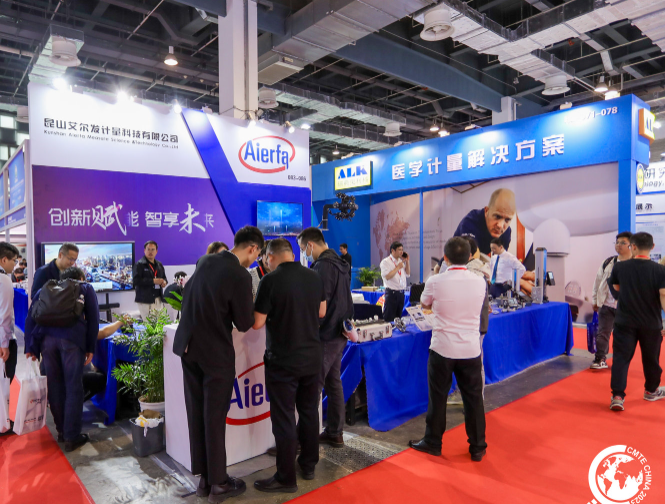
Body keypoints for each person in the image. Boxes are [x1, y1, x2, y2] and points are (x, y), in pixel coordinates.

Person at [173, 226, 263, 503]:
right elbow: (244, 323)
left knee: (197, 413)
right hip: (215, 354)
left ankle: (205, 479)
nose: (255, 261)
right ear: (253, 249)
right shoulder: (240, 274)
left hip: (189, 348)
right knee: (214, 417)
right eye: (257, 255)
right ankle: (219, 484)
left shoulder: (205, 260)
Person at [252, 239, 326, 492]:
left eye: (265, 259)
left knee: (283, 418)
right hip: (312, 357)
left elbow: (257, 323)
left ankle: (286, 478)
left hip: (283, 361)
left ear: (270, 257)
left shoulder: (269, 281)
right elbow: (322, 311)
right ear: (292, 254)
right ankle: (308, 464)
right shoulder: (314, 276)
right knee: (309, 412)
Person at [409, 237, 488, 462]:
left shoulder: (436, 280)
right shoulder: (480, 281)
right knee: (474, 400)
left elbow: (424, 304)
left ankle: (433, 442)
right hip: (470, 349)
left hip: (442, 348)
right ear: (470, 257)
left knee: (437, 397)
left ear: (445, 258)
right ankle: (478, 446)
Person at [25, 266, 99, 452]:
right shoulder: (85, 288)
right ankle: (72, 436)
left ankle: (62, 432)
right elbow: (93, 319)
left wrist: (30, 347)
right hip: (72, 341)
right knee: (73, 386)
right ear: (80, 277)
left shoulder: (45, 289)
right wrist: (90, 347)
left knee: (55, 386)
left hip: (47, 342)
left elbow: (31, 317)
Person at [297, 227, 353, 448]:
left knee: (312, 387)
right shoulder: (341, 263)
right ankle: (334, 432)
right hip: (340, 331)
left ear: (310, 245)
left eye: (303, 249)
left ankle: (302, 439)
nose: (304, 253)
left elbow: (320, 303)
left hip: (326, 334)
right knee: (333, 383)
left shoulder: (322, 266)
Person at [607, 232, 665, 411]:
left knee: (621, 359)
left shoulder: (620, 267)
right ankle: (651, 390)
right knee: (651, 359)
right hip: (651, 323)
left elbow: (616, 290)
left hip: (624, 321)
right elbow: (663, 295)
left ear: (632, 246)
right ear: (652, 247)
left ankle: (617, 396)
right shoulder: (660, 270)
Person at [448, 235, 490, 405]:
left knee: (475, 364)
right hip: (474, 323)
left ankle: (475, 400)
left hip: (473, 324)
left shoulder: (472, 272)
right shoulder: (477, 269)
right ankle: (468, 397)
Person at [590, 231, 633, 370]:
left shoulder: (636, 265)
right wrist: (595, 300)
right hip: (606, 305)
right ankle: (600, 358)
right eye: (617, 242)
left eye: (623, 243)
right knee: (603, 333)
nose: (619, 245)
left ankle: (621, 362)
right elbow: (597, 282)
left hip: (626, 308)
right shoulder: (608, 262)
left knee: (623, 336)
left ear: (632, 245)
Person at [454, 188, 515, 255]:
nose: (500, 226)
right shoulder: (471, 221)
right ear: (486, 211)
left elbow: (501, 258)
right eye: (497, 216)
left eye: (507, 220)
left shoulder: (506, 232)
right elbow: (471, 255)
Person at [0, 243, 20, 384]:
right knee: (5, 383)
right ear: (4, 260)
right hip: (3, 341)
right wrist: (4, 344)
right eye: (14, 260)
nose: (15, 264)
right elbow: (5, 315)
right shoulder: (4, 280)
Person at [133, 241, 167, 321]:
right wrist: (153, 281)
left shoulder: (159, 264)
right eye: (148, 249)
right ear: (144, 250)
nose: (150, 252)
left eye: (153, 249)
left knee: (160, 323)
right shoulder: (139, 264)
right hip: (145, 300)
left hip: (158, 299)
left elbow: (164, 278)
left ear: (156, 251)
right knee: (149, 325)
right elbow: (136, 281)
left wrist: (164, 282)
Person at [380, 241, 411, 323]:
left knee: (398, 318)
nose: (401, 252)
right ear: (393, 250)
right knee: (389, 318)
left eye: (402, 250)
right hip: (392, 293)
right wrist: (397, 268)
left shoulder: (400, 261)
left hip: (401, 293)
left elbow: (408, 274)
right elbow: (387, 276)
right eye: (399, 250)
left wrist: (407, 261)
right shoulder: (385, 262)